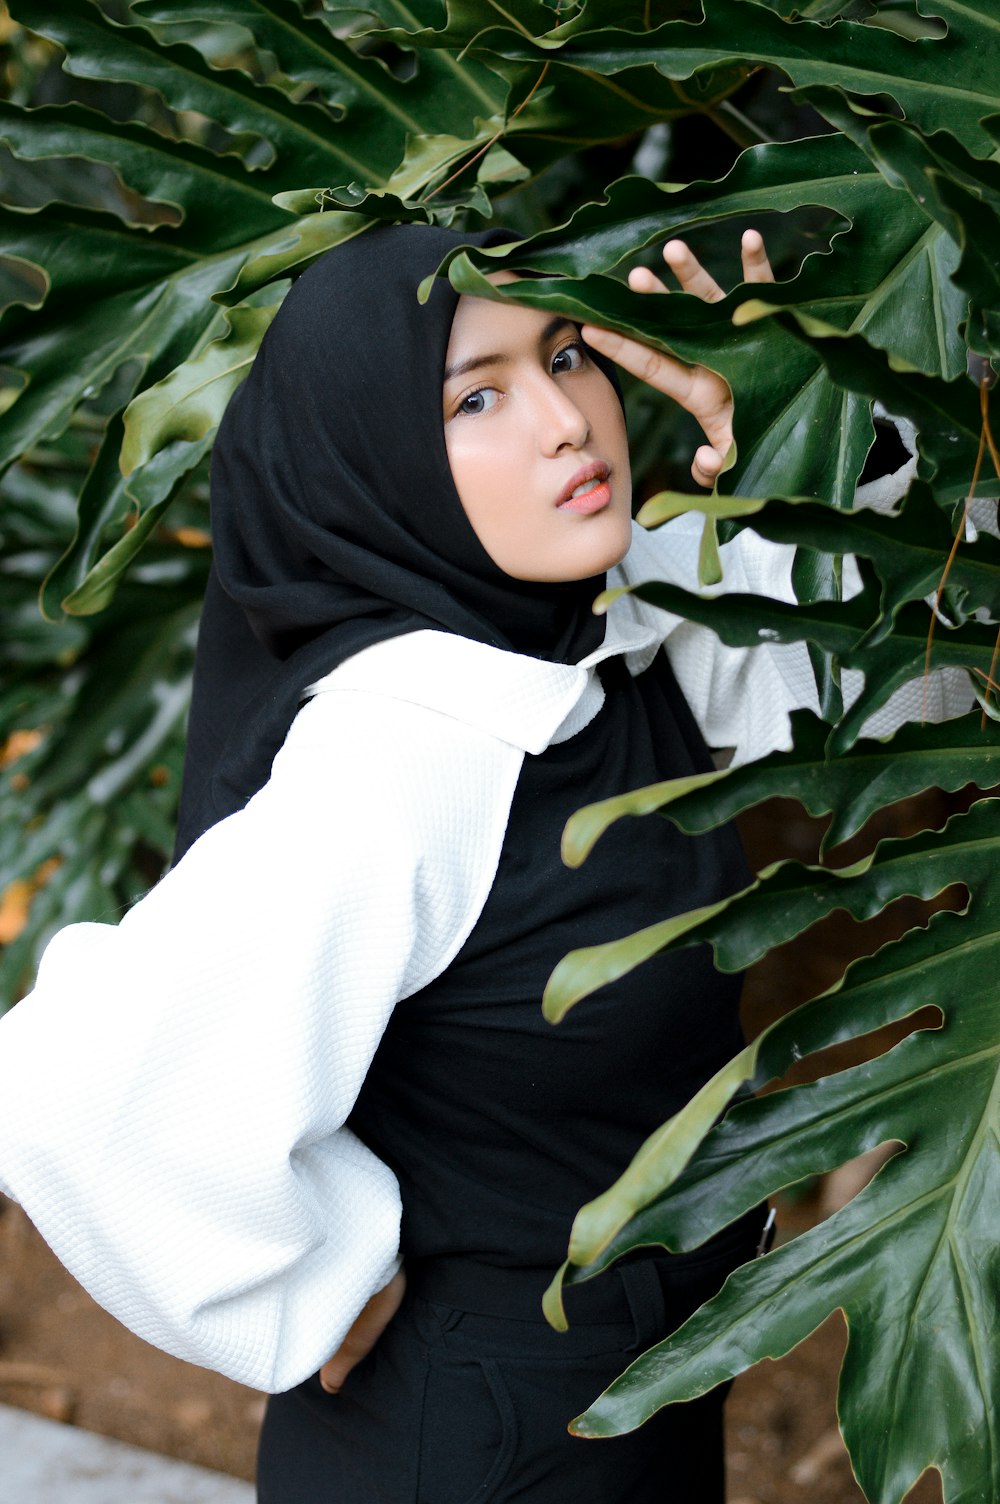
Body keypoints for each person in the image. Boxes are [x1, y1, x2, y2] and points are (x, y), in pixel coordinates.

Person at [0, 221, 930, 1503]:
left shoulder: (605, 646)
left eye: (567, 355)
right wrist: (321, 1285)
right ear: (376, 459)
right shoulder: (408, 750)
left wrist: (830, 431)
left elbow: (892, 681)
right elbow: (75, 1090)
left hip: (632, 1396)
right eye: (477, 395)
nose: (563, 420)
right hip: (475, 1433)